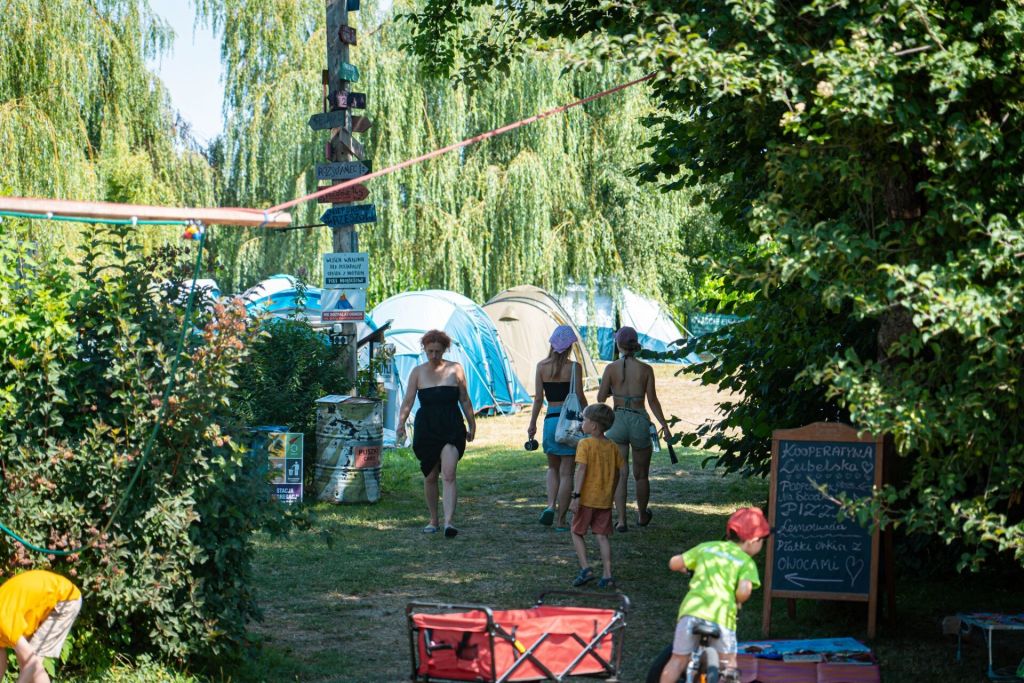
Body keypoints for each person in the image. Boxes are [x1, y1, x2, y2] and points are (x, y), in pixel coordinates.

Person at [659, 507, 770, 683]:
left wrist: (685, 568)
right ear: (753, 541)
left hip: (691, 612)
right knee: (728, 664)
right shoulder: (746, 563)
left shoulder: (707, 548)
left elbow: (674, 563)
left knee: (677, 660)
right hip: (721, 617)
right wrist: (738, 599)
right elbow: (744, 591)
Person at [396, 329, 476, 538]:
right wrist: (401, 423)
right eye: (430, 351)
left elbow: (465, 399)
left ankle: (449, 522)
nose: (433, 355)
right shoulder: (417, 372)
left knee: (449, 474)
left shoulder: (455, 369)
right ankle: (434, 519)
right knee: (430, 476)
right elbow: (408, 401)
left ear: (444, 350)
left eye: (437, 351)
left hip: (451, 426)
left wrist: (472, 424)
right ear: (424, 349)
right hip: (427, 428)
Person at [596, 325, 670, 532]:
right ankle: (642, 515)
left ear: (618, 345)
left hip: (617, 420)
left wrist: (613, 391)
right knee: (641, 474)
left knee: (620, 473)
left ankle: (621, 520)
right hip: (639, 420)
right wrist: (664, 425)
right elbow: (652, 400)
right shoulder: (646, 370)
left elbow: (600, 398)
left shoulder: (610, 368)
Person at [526, 325, 587, 530]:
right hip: (569, 422)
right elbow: (579, 397)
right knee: (567, 472)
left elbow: (538, 399)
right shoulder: (574, 368)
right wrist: (589, 418)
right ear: (570, 346)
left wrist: (532, 424)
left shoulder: (541, 366)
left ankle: (550, 505)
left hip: (551, 421)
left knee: (552, 468)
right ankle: (561, 520)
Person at [568, 403, 624, 589]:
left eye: (584, 420)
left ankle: (586, 568)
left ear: (593, 426)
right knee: (602, 536)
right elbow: (619, 472)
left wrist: (576, 496)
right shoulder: (613, 446)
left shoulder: (585, 444)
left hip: (586, 499)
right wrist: (610, 492)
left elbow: (581, 470)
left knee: (576, 531)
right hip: (604, 500)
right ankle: (607, 574)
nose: (581, 423)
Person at [0, 569, 82, 683]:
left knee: (33, 661)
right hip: (43, 600)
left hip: (65, 599)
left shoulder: (4, 623)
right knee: (26, 662)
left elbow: (33, 662)